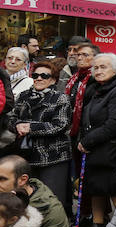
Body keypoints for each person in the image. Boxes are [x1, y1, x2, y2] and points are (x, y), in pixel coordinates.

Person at [76, 53, 116, 227]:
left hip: (112, 149)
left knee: (113, 188)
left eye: (103, 67)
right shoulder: (97, 89)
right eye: (96, 68)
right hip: (97, 148)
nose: (98, 71)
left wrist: (88, 140)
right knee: (96, 187)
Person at [9, 61, 72, 210]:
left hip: (53, 156)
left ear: (53, 79)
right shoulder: (24, 96)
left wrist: (31, 127)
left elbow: (60, 124)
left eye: (44, 75)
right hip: (26, 154)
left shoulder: (60, 98)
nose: (39, 78)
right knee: (26, 197)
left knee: (51, 199)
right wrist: (17, 125)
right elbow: (11, 117)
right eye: (35, 75)